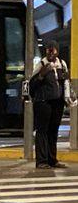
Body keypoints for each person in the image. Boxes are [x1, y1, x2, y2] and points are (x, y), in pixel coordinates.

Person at [29, 40, 74, 169]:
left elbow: (65, 83)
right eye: (48, 49)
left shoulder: (62, 64)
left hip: (57, 103)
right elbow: (32, 86)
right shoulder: (41, 64)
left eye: (53, 49)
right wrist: (41, 76)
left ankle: (52, 159)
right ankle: (42, 161)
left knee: (53, 131)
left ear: (57, 51)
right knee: (42, 131)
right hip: (43, 103)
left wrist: (66, 77)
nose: (50, 52)